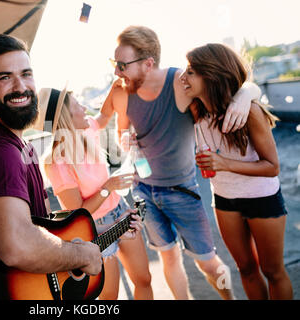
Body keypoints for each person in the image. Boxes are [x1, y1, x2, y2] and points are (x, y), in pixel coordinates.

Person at [96, 26, 262, 300]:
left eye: (122, 64)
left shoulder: (181, 83)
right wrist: (128, 141)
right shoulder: (121, 90)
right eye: (115, 64)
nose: (117, 72)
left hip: (183, 190)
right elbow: (119, 132)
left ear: (148, 64)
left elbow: (234, 88)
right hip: (145, 191)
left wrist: (246, 96)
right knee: (169, 259)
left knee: (207, 261)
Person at [0, 34, 102, 299]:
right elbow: (16, 244)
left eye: (26, 74)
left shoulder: (22, 146)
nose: (20, 86)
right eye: (5, 77)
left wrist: (93, 236)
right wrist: (81, 255)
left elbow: (38, 223)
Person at [180, 43, 293, 300]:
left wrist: (224, 164)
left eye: (190, 71)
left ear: (211, 74)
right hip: (224, 199)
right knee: (246, 269)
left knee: (273, 271)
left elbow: (272, 167)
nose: (183, 77)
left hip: (263, 199)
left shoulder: (249, 112)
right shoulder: (196, 110)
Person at [36, 87, 152, 300]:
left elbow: (106, 113)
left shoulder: (87, 128)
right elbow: (79, 212)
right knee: (110, 297)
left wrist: (117, 84)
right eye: (77, 105)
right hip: (94, 231)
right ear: (66, 119)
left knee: (144, 279)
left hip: (120, 212)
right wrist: (108, 186)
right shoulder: (57, 162)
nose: (84, 107)